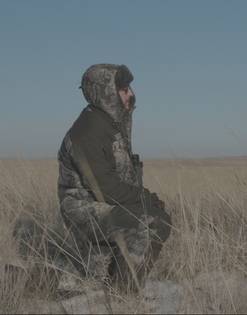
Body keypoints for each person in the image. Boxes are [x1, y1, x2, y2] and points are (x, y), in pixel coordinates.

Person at [57, 64, 172, 293]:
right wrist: (146, 198)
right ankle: (125, 295)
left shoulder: (109, 122)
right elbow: (105, 190)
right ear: (105, 92)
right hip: (86, 211)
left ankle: (111, 283)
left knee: (91, 278)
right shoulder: (88, 130)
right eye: (124, 88)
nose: (130, 93)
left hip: (104, 208)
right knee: (155, 221)